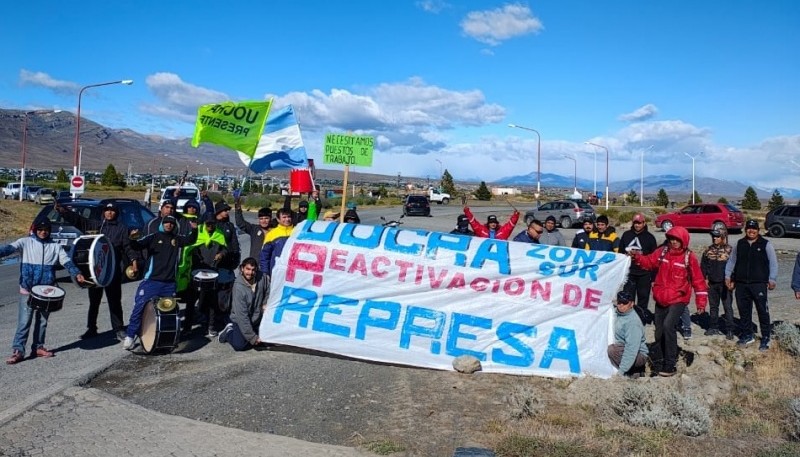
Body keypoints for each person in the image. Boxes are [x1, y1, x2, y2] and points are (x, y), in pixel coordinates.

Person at [2, 220, 86, 364]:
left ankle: (38, 347)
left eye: (46, 229)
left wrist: (76, 273)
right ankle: (18, 351)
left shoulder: (55, 246)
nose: (43, 232)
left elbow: (66, 261)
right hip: (27, 289)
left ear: (49, 230)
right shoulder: (25, 242)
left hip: (47, 290)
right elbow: (8, 249)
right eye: (40, 229)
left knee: (42, 322)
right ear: (35, 230)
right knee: (24, 322)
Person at [56, 200, 138, 341]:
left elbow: (128, 248)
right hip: (96, 271)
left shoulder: (122, 228)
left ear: (116, 213)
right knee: (94, 301)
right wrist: (64, 212)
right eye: (106, 210)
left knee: (114, 301)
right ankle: (91, 328)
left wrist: (134, 263)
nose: (109, 213)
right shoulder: (96, 225)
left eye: (112, 211)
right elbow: (79, 220)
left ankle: (118, 329)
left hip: (112, 271)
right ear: (103, 212)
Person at [631, 226, 707, 377]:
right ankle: (658, 363)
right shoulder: (662, 252)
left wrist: (701, 302)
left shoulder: (689, 257)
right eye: (671, 238)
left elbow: (698, 280)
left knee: (668, 326)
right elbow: (649, 262)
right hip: (661, 298)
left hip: (678, 299)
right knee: (659, 332)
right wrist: (638, 257)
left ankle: (670, 365)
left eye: (677, 239)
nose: (674, 242)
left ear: (683, 240)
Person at [123, 215, 197, 350]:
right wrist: (132, 238)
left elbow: (191, 239)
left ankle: (165, 339)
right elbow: (137, 245)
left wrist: (195, 229)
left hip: (169, 284)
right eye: (166, 223)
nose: (169, 225)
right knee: (139, 307)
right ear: (162, 224)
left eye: (172, 223)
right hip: (152, 281)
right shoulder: (153, 237)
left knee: (168, 312)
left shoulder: (177, 239)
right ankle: (130, 335)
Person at [725, 219, 778, 351]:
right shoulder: (740, 243)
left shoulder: (766, 244)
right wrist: (727, 276)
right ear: (745, 229)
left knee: (762, 311)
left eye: (754, 228)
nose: (751, 231)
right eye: (749, 228)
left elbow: (773, 263)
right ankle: (748, 335)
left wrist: (772, 279)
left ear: (758, 230)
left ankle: (765, 337)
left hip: (759, 284)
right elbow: (732, 261)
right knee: (744, 311)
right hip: (741, 284)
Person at [218, 257, 269, 351]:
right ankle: (229, 331)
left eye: (253, 270)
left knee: (266, 341)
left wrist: (265, 303)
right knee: (239, 346)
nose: (250, 273)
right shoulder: (238, 287)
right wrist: (253, 338)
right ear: (242, 268)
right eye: (248, 269)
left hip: (257, 318)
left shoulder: (262, 278)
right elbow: (242, 316)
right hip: (240, 320)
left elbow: (268, 291)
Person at [619, 213, 658, 324]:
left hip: (644, 273)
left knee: (643, 298)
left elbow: (654, 258)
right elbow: (620, 253)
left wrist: (654, 277)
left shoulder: (650, 238)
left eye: (639, 223)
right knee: (627, 296)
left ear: (644, 223)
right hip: (629, 273)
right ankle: (627, 319)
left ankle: (641, 319)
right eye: (635, 223)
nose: (637, 225)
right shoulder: (626, 235)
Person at [700, 228, 735, 339]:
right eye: (713, 236)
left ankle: (730, 330)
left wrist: (733, 281)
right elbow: (703, 266)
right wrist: (704, 279)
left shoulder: (730, 251)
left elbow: (735, 267)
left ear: (723, 237)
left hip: (725, 284)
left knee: (727, 307)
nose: (715, 238)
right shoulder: (708, 250)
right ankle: (713, 327)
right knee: (713, 307)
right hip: (712, 283)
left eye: (717, 236)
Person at [607, 291, 648, 378]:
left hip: (638, 354)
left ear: (632, 303)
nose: (621, 305)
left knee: (611, 350)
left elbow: (631, 349)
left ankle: (632, 372)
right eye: (619, 302)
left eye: (625, 303)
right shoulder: (615, 313)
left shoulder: (633, 323)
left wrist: (621, 372)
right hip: (621, 347)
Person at [234, 196, 273, 261]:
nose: (263, 221)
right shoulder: (254, 229)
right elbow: (240, 223)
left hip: (270, 265)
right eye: (261, 219)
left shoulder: (276, 231)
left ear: (270, 219)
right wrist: (238, 209)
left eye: (266, 218)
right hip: (255, 265)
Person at [260, 208, 294, 276]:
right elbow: (264, 256)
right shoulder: (272, 234)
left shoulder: (298, 231)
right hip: (277, 273)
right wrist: (265, 273)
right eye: (284, 217)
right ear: (278, 219)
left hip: (293, 273)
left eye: (289, 217)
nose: (287, 219)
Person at [211, 201, 241, 271]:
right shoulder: (211, 224)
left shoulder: (230, 225)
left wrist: (236, 257)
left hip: (227, 261)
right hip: (212, 261)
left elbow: (235, 243)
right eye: (225, 210)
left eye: (228, 210)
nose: (227, 212)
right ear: (219, 211)